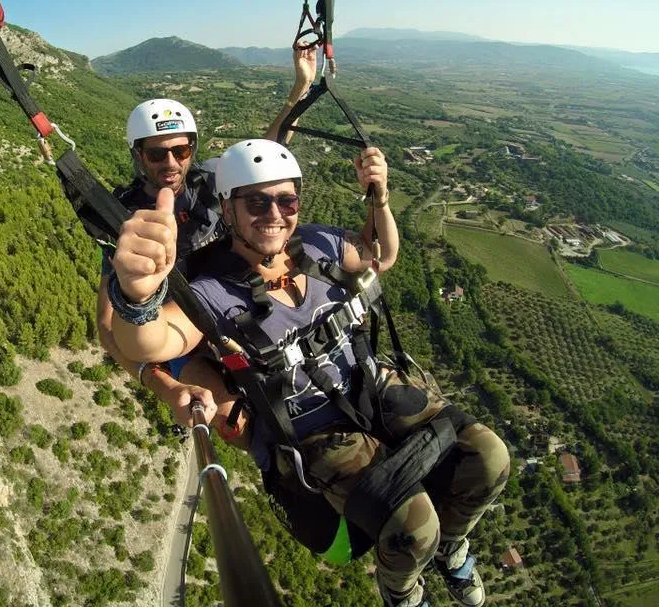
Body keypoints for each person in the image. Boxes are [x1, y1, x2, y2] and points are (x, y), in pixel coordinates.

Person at [107, 139, 510, 607]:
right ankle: (402, 589)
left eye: (286, 200)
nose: (274, 213)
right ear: (227, 208)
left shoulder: (321, 245)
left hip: (371, 385)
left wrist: (378, 198)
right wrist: (137, 297)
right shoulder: (212, 291)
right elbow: (151, 342)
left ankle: (451, 548)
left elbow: (381, 256)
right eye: (255, 202)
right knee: (413, 526)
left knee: (489, 457)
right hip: (311, 427)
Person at [95, 45, 324, 426]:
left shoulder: (211, 182)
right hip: (177, 322)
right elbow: (108, 327)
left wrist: (299, 90)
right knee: (232, 419)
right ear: (138, 156)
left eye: (181, 150)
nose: (172, 163)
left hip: (235, 301)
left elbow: (266, 155)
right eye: (157, 154)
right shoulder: (124, 219)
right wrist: (166, 387)